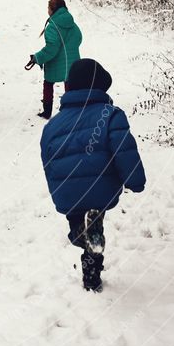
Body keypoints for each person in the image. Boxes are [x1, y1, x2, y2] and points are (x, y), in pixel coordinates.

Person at [39, 58, 146, 291]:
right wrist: (135, 181)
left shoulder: (52, 125)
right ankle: (91, 267)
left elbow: (47, 161)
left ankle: (83, 241)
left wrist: (57, 191)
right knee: (94, 227)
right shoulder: (110, 115)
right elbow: (123, 151)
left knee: (84, 229)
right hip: (100, 190)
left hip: (67, 192)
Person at [26, 0, 82, 119]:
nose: (47, 10)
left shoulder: (52, 26)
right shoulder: (71, 22)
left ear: (53, 10)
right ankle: (71, 112)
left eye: (48, 8)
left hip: (56, 62)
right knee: (69, 85)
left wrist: (37, 58)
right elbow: (79, 38)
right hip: (73, 61)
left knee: (48, 84)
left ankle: (47, 112)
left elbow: (51, 49)